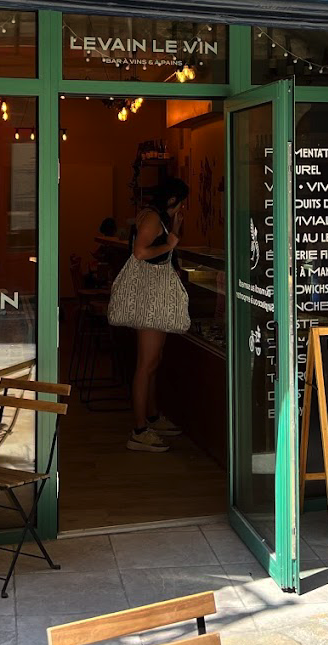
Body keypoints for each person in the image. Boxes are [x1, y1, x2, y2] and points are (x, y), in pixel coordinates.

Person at [125, 177, 190, 453]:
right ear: (173, 199)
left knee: (153, 360)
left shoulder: (158, 218)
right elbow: (140, 252)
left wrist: (174, 228)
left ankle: (151, 417)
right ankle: (139, 429)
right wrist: (170, 243)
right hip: (150, 298)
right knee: (146, 363)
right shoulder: (152, 218)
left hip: (154, 297)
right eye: (182, 201)